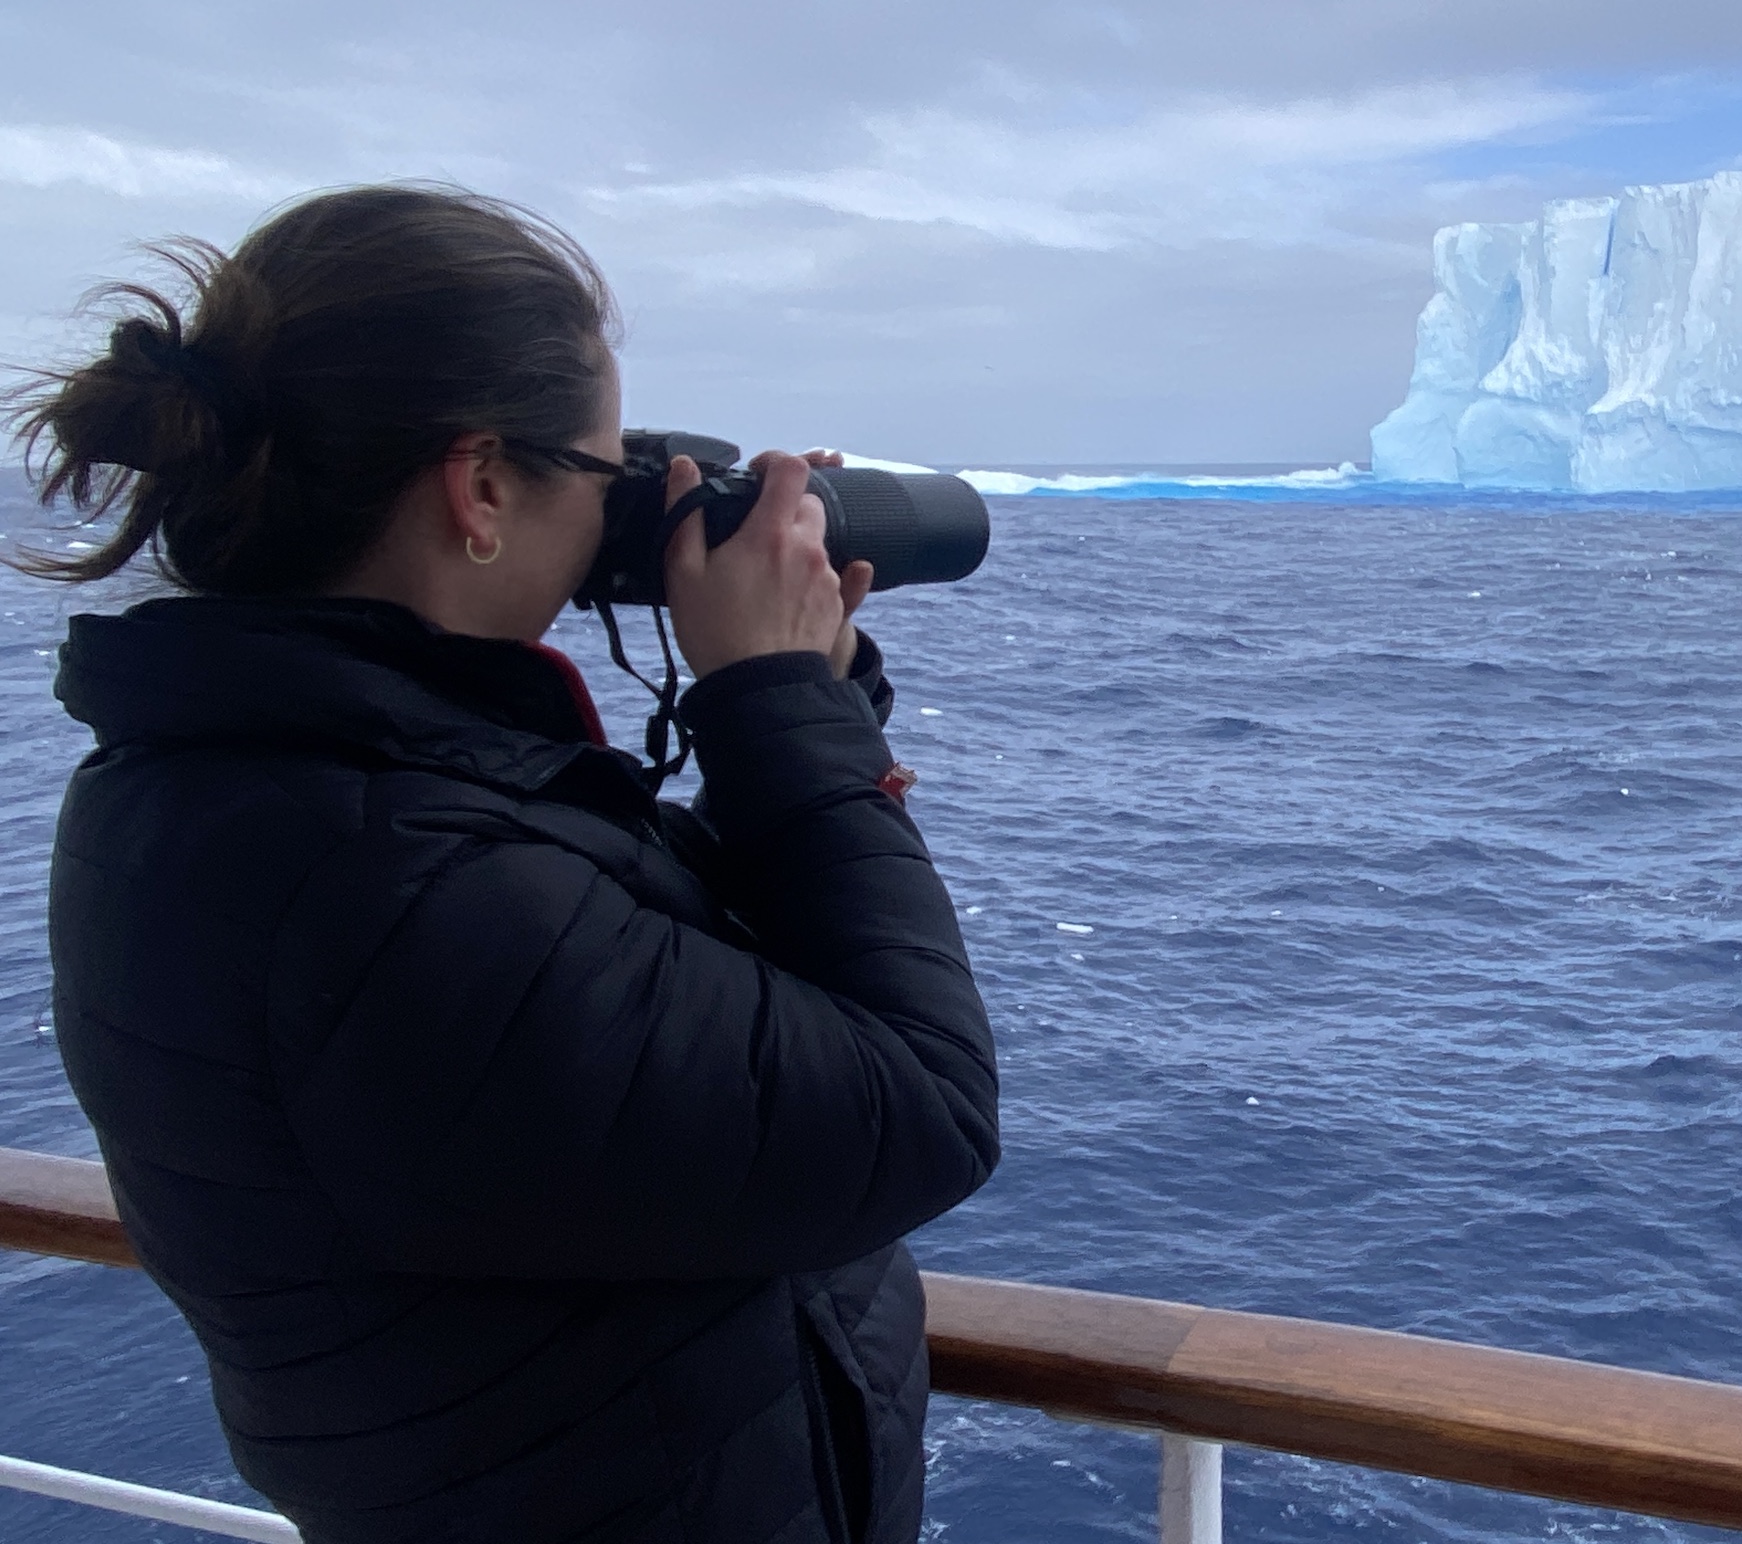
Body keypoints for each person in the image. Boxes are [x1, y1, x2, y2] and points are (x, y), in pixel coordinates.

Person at [6, 184, 1001, 1544]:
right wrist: (769, 701)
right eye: (600, 472)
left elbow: (672, 982)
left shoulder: (264, 782)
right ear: (479, 486)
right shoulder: (385, 869)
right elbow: (918, 1106)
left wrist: (807, 697)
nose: (614, 518)